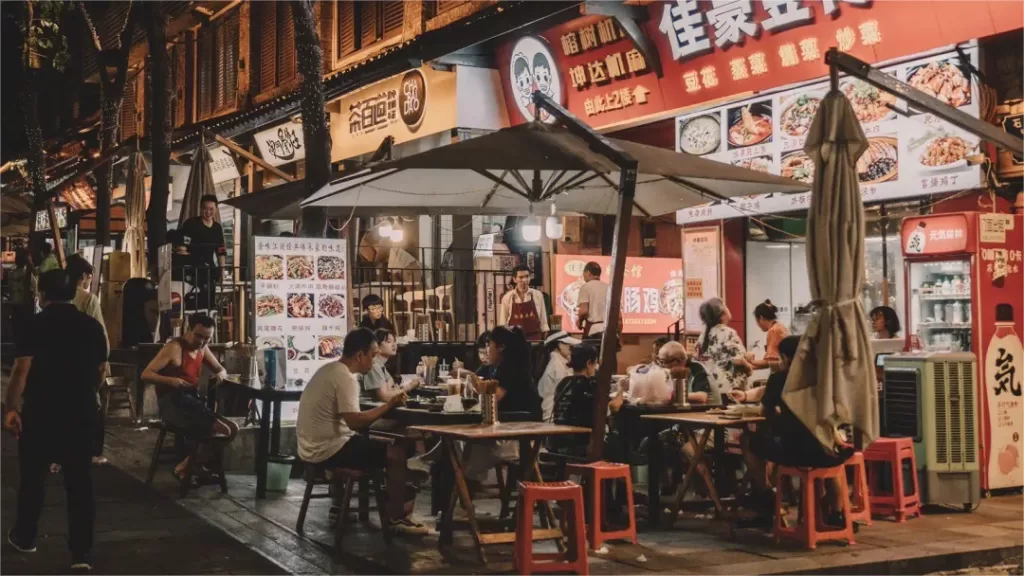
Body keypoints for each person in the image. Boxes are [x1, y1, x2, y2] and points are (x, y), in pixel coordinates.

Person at [4, 270, 108, 572]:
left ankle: (25, 536)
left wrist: (11, 409)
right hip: (82, 412)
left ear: (42, 294)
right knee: (80, 483)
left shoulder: (34, 325)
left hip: (41, 412)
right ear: (74, 293)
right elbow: (101, 370)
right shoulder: (91, 326)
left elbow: (21, 371)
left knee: (32, 480)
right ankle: (80, 554)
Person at [296, 328, 428, 536]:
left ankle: (356, 504)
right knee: (397, 450)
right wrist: (390, 404)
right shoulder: (345, 378)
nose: (374, 360)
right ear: (360, 355)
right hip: (329, 450)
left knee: (383, 444)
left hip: (311, 447)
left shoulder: (329, 370)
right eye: (373, 355)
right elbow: (355, 422)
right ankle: (396, 517)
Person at [730, 336, 855, 527]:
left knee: (750, 440)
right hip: (832, 452)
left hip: (796, 453)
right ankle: (836, 515)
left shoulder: (780, 378)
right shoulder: (825, 379)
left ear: (786, 358)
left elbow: (765, 412)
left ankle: (765, 495)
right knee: (826, 452)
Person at [141, 313, 237, 480]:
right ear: (188, 330)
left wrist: (221, 376)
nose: (201, 342)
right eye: (198, 336)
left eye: (207, 338)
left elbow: (220, 369)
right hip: (173, 404)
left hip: (192, 401)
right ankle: (186, 467)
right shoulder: (174, 348)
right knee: (223, 430)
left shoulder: (203, 349)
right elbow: (146, 374)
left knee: (233, 429)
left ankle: (191, 465)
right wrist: (171, 381)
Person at [463, 326, 542, 481]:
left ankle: (463, 498)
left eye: (488, 344)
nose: (486, 350)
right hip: (502, 433)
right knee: (456, 447)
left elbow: (492, 398)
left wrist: (470, 377)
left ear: (501, 347)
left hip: (518, 440)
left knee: (461, 459)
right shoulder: (492, 368)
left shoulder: (513, 369)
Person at [65, 255, 110, 466]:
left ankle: (62, 452)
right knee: (95, 406)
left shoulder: (59, 296)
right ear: (83, 276)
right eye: (89, 276)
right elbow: (99, 333)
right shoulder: (88, 299)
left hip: (64, 360)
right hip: (87, 361)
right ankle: (93, 452)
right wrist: (104, 360)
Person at [696, 298, 753, 392]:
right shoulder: (728, 332)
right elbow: (737, 360)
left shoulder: (703, 335)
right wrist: (748, 367)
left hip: (711, 386)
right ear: (721, 315)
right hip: (730, 387)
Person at [179, 195, 225, 309]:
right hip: (191, 270)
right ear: (200, 208)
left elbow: (220, 251)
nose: (208, 212)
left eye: (211, 209)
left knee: (209, 302)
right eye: (205, 208)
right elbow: (182, 246)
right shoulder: (191, 224)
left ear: (216, 210)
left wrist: (222, 271)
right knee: (193, 303)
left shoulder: (217, 228)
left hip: (210, 270)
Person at [361, 329, 420, 402]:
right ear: (377, 346)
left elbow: (390, 382)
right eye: (388, 342)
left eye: (394, 341)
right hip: (365, 408)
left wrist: (392, 389)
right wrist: (409, 386)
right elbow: (385, 397)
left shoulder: (380, 365)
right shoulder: (374, 364)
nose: (394, 344)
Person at [498, 264, 549, 341]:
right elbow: (503, 322)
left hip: (534, 338)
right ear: (515, 279)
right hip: (514, 339)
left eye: (527, 276)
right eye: (521, 277)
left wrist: (545, 333)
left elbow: (543, 319)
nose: (524, 280)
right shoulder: (507, 298)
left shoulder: (538, 295)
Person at [536, 331, 580, 422]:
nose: (571, 349)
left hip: (554, 414)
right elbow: (566, 392)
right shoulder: (556, 364)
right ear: (560, 345)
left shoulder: (559, 361)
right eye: (569, 346)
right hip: (552, 416)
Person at [747, 300, 789, 372]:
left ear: (761, 318)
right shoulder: (780, 327)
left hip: (782, 373)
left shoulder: (773, 331)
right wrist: (750, 367)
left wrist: (749, 361)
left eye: (757, 321)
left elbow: (769, 362)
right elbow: (768, 362)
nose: (758, 325)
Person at [7, 248, 37, 345]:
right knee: (25, 327)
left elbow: (10, 287)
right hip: (25, 304)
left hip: (15, 302)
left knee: (16, 325)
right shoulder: (28, 273)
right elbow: (34, 287)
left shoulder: (12, 272)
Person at [576, 261, 608, 339]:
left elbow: (584, 311)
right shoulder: (609, 288)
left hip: (593, 331)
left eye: (584, 273)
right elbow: (619, 317)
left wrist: (579, 322)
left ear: (588, 273)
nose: (583, 276)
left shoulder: (586, 287)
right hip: (609, 331)